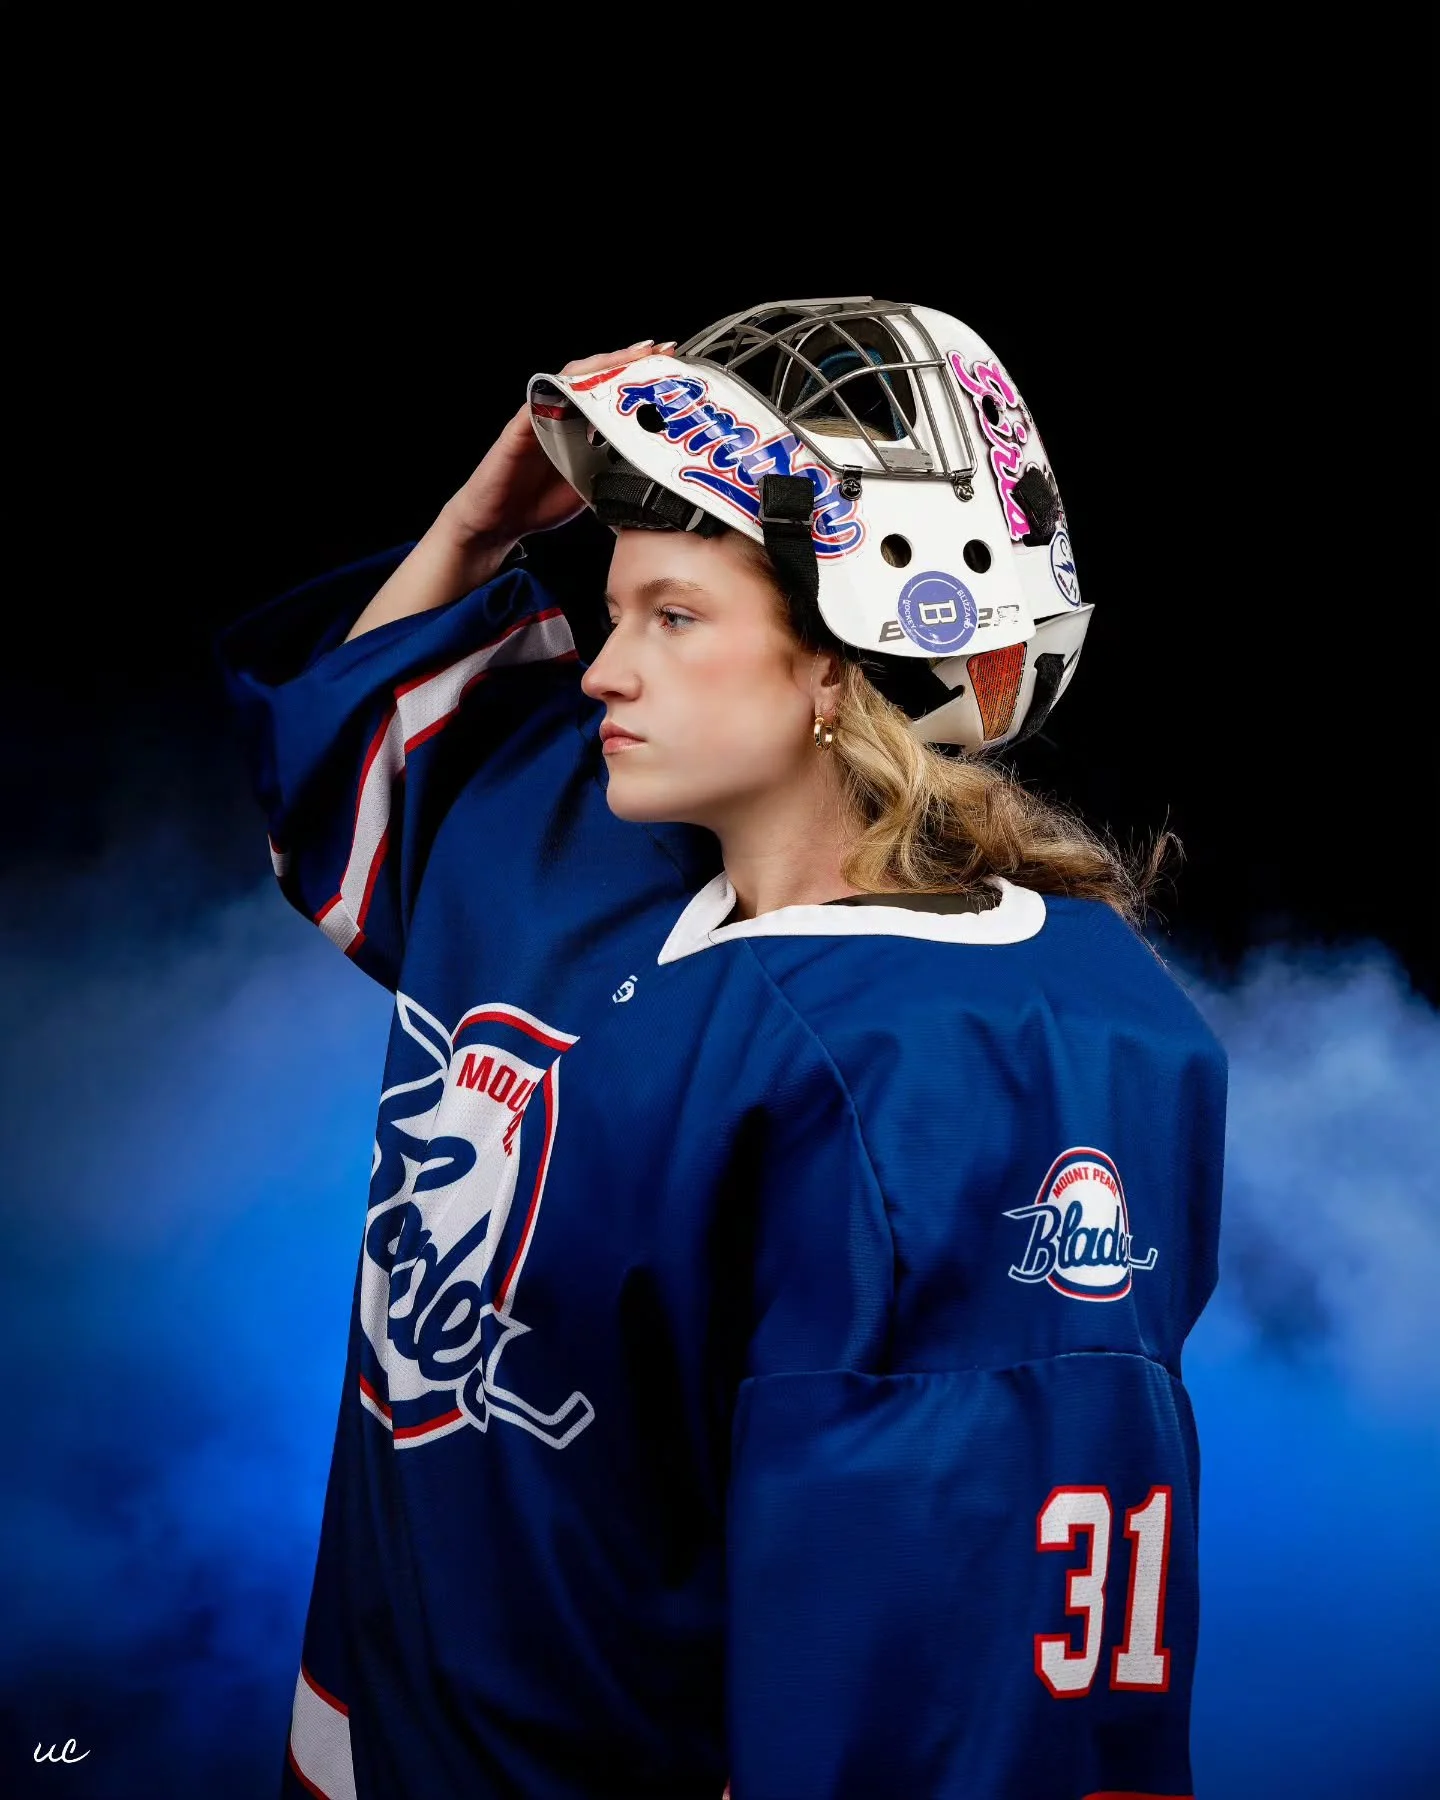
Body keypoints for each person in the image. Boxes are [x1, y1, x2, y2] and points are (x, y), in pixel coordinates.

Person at [216, 298, 1227, 1800]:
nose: (604, 671)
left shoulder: (979, 1064)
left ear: (837, 666)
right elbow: (346, 772)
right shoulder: (578, 826)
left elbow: (923, 1679)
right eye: (613, 609)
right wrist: (482, 519)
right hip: (379, 1737)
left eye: (675, 616)